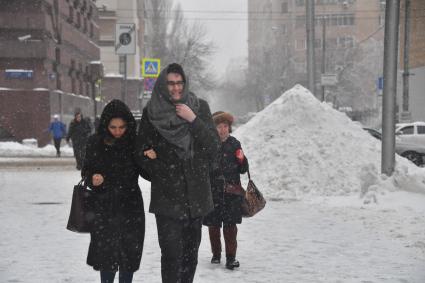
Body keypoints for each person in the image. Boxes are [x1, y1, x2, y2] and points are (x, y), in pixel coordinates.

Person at [136, 63, 219, 283]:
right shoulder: (152, 112)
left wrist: (192, 119)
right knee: (172, 256)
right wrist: (159, 168)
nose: (175, 88)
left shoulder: (199, 107)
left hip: (196, 197)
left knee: (190, 257)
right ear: (163, 85)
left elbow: (213, 147)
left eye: (179, 83)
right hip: (167, 198)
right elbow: (141, 154)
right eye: (170, 83)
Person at [82, 99, 150, 283]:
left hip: (131, 207)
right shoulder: (95, 143)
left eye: (122, 127)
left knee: (129, 255)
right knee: (107, 256)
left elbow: (147, 174)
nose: (118, 131)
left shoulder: (134, 143)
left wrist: (149, 158)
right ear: (106, 125)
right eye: (113, 127)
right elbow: (86, 170)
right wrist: (93, 178)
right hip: (104, 207)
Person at [202, 111, 249, 270]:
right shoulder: (209, 144)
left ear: (229, 127)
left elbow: (243, 169)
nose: (222, 130)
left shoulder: (235, 144)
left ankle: (231, 258)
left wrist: (242, 159)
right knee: (213, 225)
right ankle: (216, 255)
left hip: (231, 193)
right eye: (218, 126)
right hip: (212, 192)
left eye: (225, 126)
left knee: (230, 226)